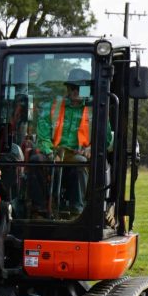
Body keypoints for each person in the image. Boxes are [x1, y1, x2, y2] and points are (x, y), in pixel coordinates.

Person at [29, 67, 94, 214]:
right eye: (72, 87)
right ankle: (39, 209)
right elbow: (43, 136)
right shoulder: (53, 107)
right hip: (54, 151)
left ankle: (76, 211)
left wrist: (92, 149)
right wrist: (51, 152)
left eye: (80, 87)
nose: (75, 91)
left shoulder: (94, 110)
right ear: (68, 89)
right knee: (35, 159)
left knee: (79, 164)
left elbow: (106, 139)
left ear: (87, 89)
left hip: (78, 155)